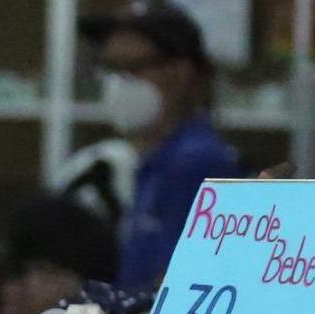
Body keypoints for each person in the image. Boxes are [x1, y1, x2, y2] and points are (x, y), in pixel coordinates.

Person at [81, 3, 240, 294]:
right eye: (110, 68)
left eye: (132, 67)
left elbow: (179, 286)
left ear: (181, 72)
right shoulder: (154, 163)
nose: (117, 83)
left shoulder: (196, 165)